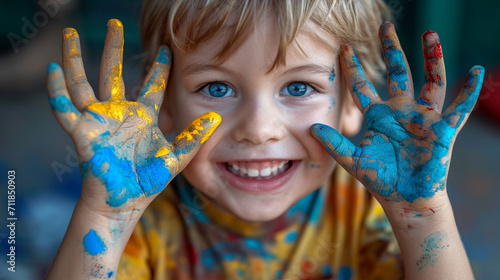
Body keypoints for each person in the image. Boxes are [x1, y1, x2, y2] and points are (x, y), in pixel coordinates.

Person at [45, 0, 484, 279]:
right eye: (217, 88)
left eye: (298, 88)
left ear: (355, 101)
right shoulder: (144, 223)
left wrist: (420, 217)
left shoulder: (368, 211)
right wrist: (103, 218)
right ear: (163, 102)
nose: (258, 129)